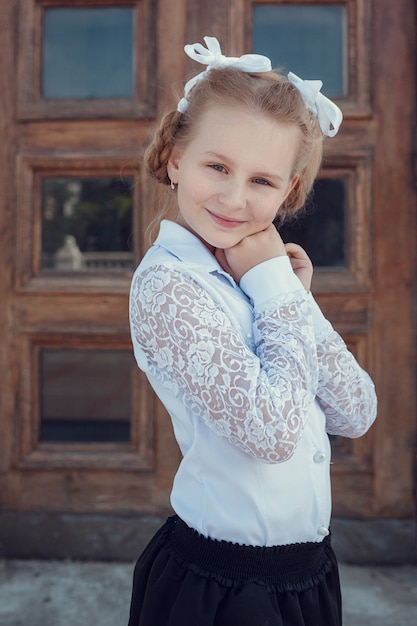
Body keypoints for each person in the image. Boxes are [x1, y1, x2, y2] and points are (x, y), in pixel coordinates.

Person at [128, 36, 377, 626]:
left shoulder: (264, 281)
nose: (235, 198)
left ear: (288, 191)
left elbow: (356, 410)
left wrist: (289, 296)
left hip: (307, 575)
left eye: (263, 181)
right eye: (217, 166)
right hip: (224, 589)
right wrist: (272, 286)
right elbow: (269, 433)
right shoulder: (168, 286)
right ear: (174, 159)